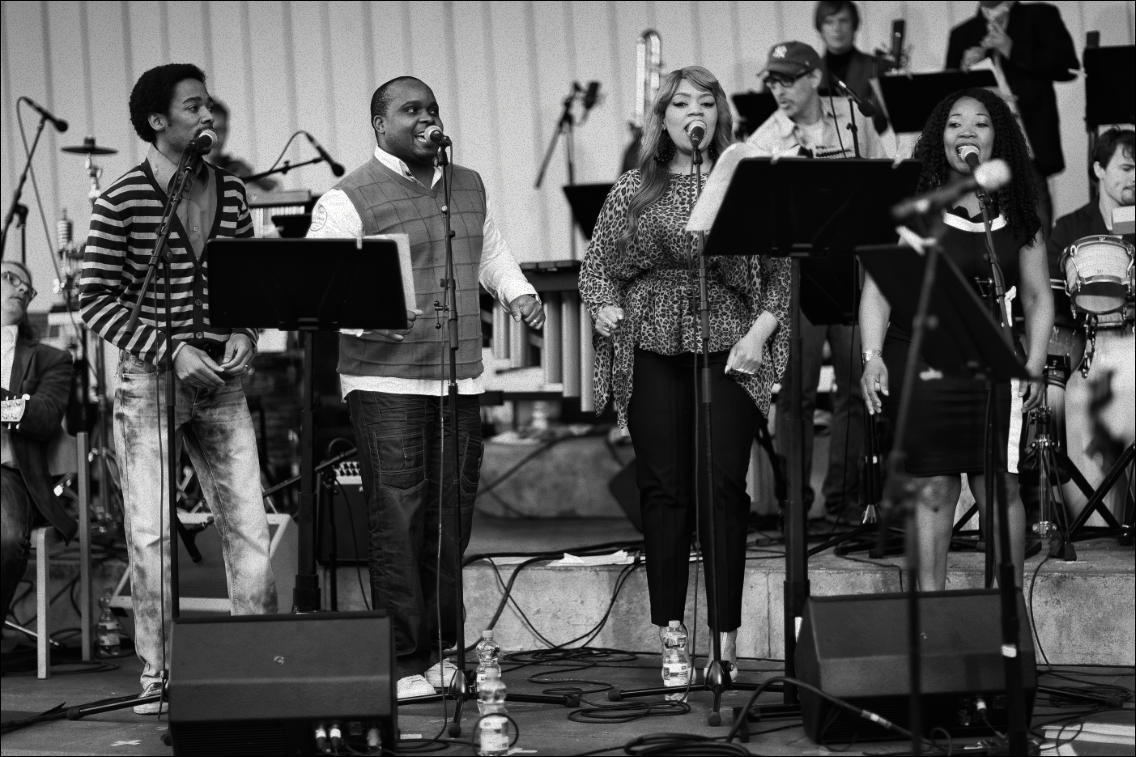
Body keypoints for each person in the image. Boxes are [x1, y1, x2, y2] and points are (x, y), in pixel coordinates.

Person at [305, 76, 544, 700]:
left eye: (432, 108)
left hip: (459, 378)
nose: (426, 118)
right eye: (410, 109)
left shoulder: (467, 183)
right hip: (384, 381)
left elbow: (487, 247)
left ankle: (442, 652)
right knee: (398, 517)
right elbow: (321, 287)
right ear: (380, 125)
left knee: (450, 519)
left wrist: (517, 291)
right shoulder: (346, 197)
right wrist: (375, 312)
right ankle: (404, 659)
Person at [580, 65, 790, 681]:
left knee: (721, 488)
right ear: (663, 119)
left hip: (729, 344)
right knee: (664, 490)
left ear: (718, 116)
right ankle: (674, 634)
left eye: (704, 103)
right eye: (680, 104)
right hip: (649, 342)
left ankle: (724, 641)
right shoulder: (632, 188)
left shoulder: (745, 184)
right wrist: (606, 304)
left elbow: (780, 274)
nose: (693, 113)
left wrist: (758, 337)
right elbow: (597, 268)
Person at [80, 63, 278, 712]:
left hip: (220, 379)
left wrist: (246, 326)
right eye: (192, 108)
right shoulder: (121, 199)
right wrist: (170, 348)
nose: (207, 119)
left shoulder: (234, 192)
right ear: (158, 121)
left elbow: (244, 279)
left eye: (209, 108)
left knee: (248, 523)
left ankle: (260, 664)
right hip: (150, 382)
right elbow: (93, 299)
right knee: (152, 534)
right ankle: (159, 674)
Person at [860, 87, 1054, 591]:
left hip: (992, 360)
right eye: (954, 123)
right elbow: (878, 292)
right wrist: (871, 356)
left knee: (1000, 485)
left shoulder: (1019, 213)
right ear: (938, 137)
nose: (966, 131)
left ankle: (1005, 618)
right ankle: (933, 617)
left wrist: (1034, 360)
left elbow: (1036, 296)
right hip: (918, 356)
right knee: (934, 485)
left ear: (999, 139)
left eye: (981, 122)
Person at [747, 41, 889, 521]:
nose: (779, 89)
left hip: (851, 270)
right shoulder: (766, 140)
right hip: (796, 277)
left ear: (814, 77)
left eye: (788, 79)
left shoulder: (853, 118)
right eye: (772, 81)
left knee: (855, 386)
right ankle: (794, 504)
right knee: (795, 393)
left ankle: (845, 501)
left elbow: (881, 186)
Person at [1046, 128, 1134, 522]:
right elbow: (1049, 305)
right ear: (1098, 168)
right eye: (1127, 167)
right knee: (1097, 518)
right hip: (1088, 350)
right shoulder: (1069, 228)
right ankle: (1099, 523)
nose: (1135, 177)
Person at [947, 0, 1079, 232]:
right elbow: (948, 97)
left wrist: (1011, 48)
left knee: (1037, 224)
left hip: (1028, 141)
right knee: (980, 222)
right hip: (981, 144)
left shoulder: (1039, 15)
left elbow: (1067, 67)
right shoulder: (963, 34)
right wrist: (963, 68)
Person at [1, 261, 75, 629]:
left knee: (6, 537)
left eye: (26, 288)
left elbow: (44, 418)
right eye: (9, 278)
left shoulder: (51, 359)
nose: (19, 289)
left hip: (10, 475)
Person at [814, 1, 888, 134]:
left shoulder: (876, 66)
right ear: (820, 29)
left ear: (854, 25)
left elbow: (881, 122)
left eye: (843, 20)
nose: (837, 28)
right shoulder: (809, 71)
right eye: (829, 22)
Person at [204, 100, 279, 192]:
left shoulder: (235, 170)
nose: (215, 135)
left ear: (227, 131)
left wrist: (252, 178)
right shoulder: (183, 169)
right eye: (209, 129)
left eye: (220, 130)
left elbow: (276, 190)